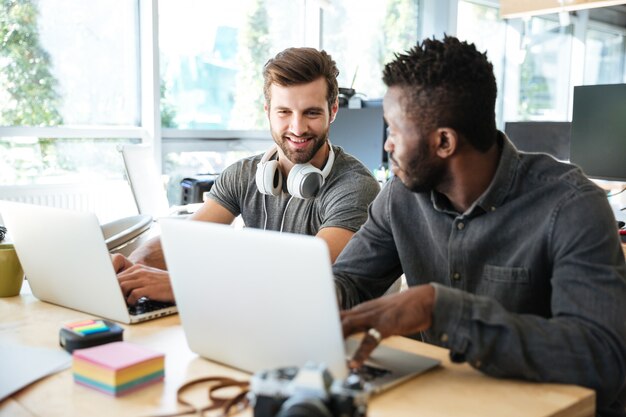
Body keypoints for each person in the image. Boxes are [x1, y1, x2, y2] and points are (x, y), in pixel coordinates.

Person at [335, 36, 626, 416]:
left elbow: (602, 359)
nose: (386, 146)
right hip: (447, 400)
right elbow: (351, 282)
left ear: (444, 142)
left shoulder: (571, 205)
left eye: (392, 130)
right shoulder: (400, 196)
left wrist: (441, 310)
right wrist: (314, 297)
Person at [112, 47, 380, 305]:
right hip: (249, 319)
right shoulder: (243, 174)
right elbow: (186, 241)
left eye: (311, 113)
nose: (297, 128)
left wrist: (183, 286)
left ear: (332, 111)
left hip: (320, 331)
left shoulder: (355, 187)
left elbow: (306, 274)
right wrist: (133, 266)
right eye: (284, 112)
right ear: (268, 112)